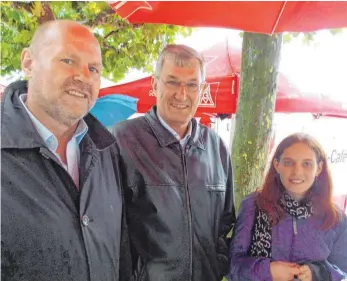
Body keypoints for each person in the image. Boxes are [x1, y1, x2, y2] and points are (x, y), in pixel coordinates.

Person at [1, 20, 131, 281]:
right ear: (28, 62)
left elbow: (120, 256)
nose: (84, 76)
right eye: (68, 60)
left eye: (93, 68)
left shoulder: (107, 151)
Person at [112, 44, 236, 281]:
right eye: (172, 82)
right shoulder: (120, 141)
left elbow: (226, 220)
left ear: (201, 90)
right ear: (155, 84)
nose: (182, 94)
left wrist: (217, 263)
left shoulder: (216, 147)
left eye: (191, 85)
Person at [227, 133, 347, 281]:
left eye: (307, 164)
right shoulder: (253, 205)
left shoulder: (335, 217)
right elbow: (233, 266)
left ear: (319, 168)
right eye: (288, 162)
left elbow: (343, 270)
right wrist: (268, 270)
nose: (297, 172)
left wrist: (317, 273)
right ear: (277, 165)